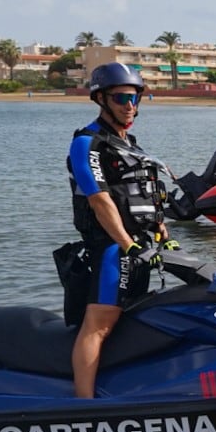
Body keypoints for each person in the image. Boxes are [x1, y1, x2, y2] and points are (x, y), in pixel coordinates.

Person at [66, 63, 172, 398]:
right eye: (121, 97)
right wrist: (126, 244)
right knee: (99, 324)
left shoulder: (132, 146)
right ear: (100, 99)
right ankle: (84, 402)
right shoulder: (88, 143)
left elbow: (144, 195)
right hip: (112, 249)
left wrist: (161, 230)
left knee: (133, 316)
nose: (130, 105)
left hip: (141, 246)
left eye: (136, 97)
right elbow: (100, 200)